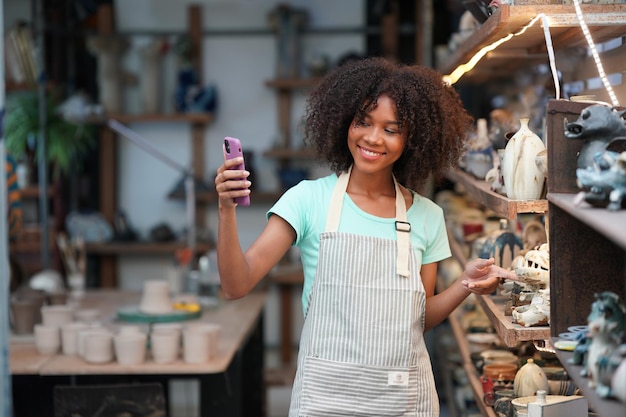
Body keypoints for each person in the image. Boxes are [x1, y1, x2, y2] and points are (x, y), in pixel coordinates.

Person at [214, 56, 518, 416]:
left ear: (413, 138)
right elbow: (236, 285)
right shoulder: (308, 200)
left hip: (401, 401)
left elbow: (418, 320)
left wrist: (464, 284)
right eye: (364, 122)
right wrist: (226, 210)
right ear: (346, 121)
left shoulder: (426, 216)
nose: (373, 138)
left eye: (391, 129)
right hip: (324, 402)